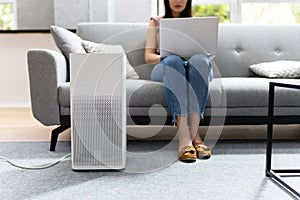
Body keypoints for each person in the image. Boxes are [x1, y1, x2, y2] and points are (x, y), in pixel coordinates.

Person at [145, 0, 213, 162]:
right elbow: (148, 57)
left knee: (199, 61)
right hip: (167, 67)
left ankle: (195, 135)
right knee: (174, 61)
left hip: (195, 69)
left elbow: (206, 52)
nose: (178, 1)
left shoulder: (197, 24)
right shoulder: (156, 22)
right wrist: (168, 54)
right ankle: (185, 137)